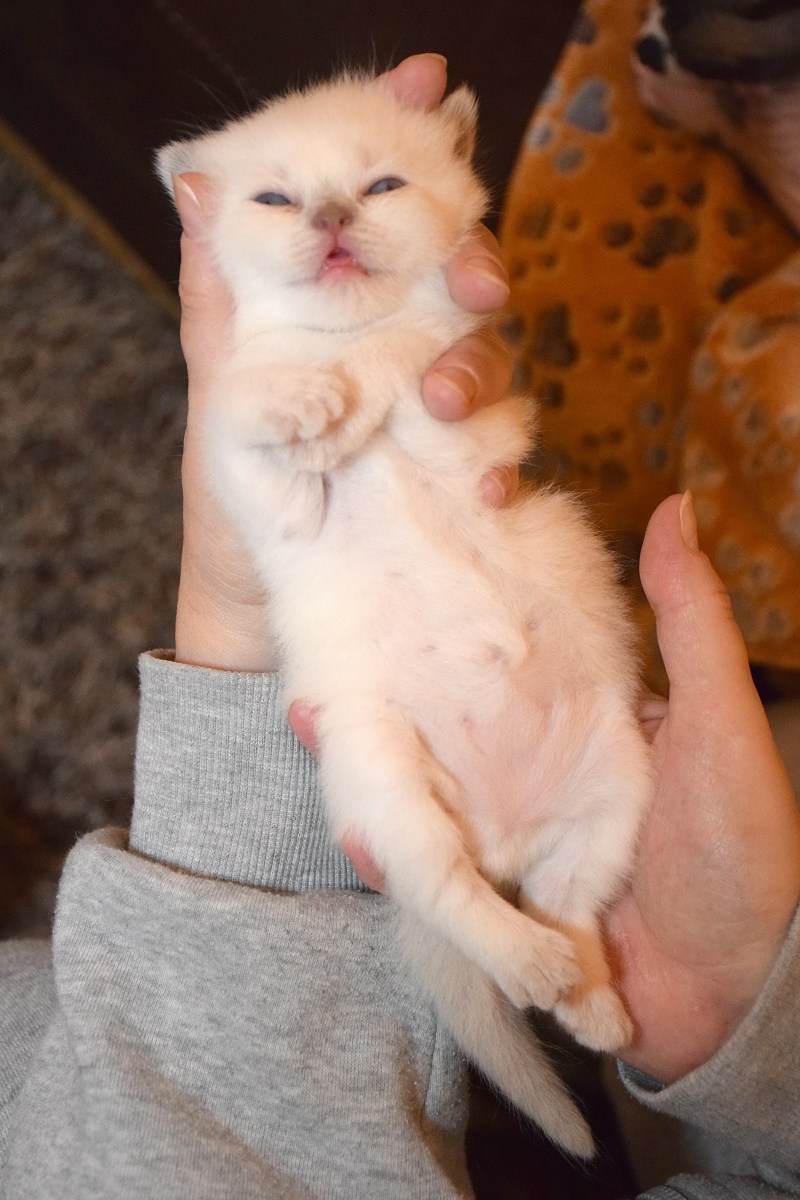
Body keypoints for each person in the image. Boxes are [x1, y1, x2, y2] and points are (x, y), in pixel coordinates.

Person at [1, 54, 798, 1200]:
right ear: (203, 213)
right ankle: (478, 918)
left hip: (539, 692)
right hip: (398, 680)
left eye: (380, 185)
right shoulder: (252, 381)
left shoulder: (434, 335)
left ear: (459, 189)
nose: (329, 217)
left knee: (612, 766)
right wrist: (277, 416)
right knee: (372, 760)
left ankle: (566, 915)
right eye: (274, 198)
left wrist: (737, 1016)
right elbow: (262, 476)